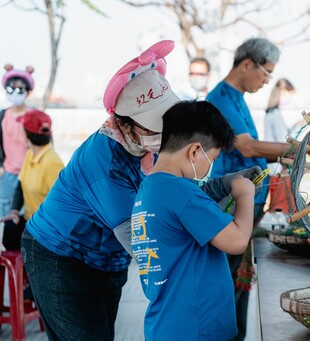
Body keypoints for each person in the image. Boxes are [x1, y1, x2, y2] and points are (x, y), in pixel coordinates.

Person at [20, 40, 182, 341]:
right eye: (154, 127)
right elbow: (140, 241)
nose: (164, 134)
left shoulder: (147, 146)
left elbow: (177, 190)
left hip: (106, 260)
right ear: (125, 124)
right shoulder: (107, 164)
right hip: (61, 257)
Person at [206, 37, 310, 341]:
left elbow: (256, 151)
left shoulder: (237, 98)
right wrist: (301, 147)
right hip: (232, 203)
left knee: (237, 278)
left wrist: (297, 149)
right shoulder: (220, 99)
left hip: (248, 201)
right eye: (266, 73)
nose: (266, 80)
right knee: (227, 279)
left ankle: (236, 334)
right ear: (247, 64)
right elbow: (247, 148)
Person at [131, 100, 255, 341]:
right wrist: (245, 195)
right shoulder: (182, 193)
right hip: (196, 329)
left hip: (169, 325)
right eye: (213, 158)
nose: (211, 167)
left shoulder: (151, 188)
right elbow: (237, 240)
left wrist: (226, 183)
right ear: (195, 151)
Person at [0, 109, 64, 250]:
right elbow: (20, 184)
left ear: (26, 134)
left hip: (45, 229)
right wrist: (14, 211)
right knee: (7, 231)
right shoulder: (30, 153)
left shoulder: (52, 163)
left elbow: (60, 207)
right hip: (29, 220)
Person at [0, 64, 35, 218]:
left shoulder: (35, 116)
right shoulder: (3, 115)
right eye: (11, 89)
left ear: (28, 92)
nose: (15, 93)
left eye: (20, 90)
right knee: (6, 214)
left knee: (28, 214)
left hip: (29, 174)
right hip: (7, 174)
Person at [264, 78, 297, 213]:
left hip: (271, 167)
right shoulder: (276, 114)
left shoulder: (269, 113)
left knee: (276, 203)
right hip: (278, 168)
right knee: (281, 207)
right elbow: (282, 141)